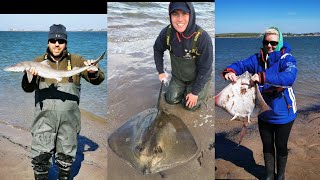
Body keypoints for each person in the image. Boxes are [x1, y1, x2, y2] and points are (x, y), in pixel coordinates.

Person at [21, 24, 105, 180]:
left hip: (69, 121)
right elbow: (27, 89)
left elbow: (98, 80)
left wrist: (94, 72)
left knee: (66, 160)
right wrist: (28, 76)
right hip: (44, 120)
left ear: (66, 43)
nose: (56, 44)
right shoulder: (38, 61)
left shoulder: (77, 60)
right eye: (53, 40)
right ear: (48, 42)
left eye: (60, 41)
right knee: (40, 159)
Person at [223, 26, 297, 180]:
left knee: (281, 145)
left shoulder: (287, 59)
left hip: (284, 111)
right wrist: (230, 71)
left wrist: (263, 77)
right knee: (267, 145)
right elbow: (241, 65)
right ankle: (269, 175)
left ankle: (280, 176)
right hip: (264, 112)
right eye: (266, 42)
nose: (269, 46)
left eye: (274, 43)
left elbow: (289, 78)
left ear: (280, 42)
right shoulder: (257, 59)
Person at [153, 2, 213, 111]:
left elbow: (206, 68)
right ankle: (183, 90)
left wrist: (195, 92)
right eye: (175, 14)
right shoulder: (167, 33)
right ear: (170, 16)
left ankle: (200, 91)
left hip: (197, 78)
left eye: (184, 13)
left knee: (190, 106)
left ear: (191, 15)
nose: (180, 19)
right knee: (170, 99)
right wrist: (160, 71)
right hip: (178, 78)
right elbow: (157, 49)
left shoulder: (203, 38)